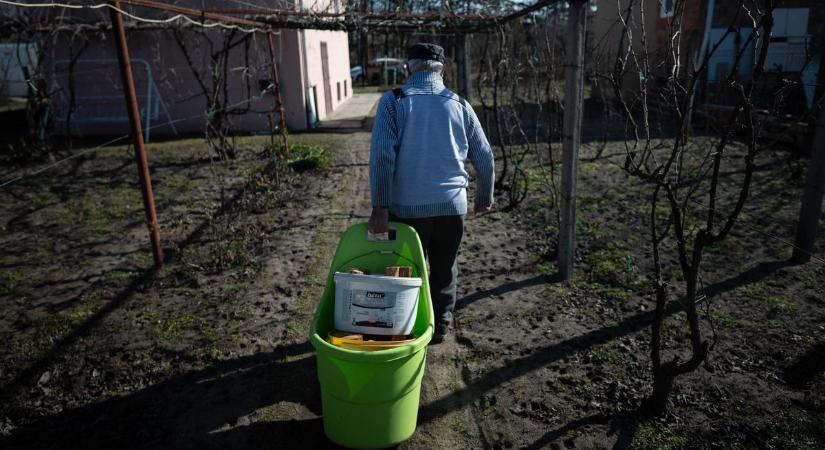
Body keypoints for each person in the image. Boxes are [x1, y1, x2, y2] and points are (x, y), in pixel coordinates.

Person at [367, 43, 495, 344]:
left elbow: (383, 157)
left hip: (406, 209)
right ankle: (440, 325)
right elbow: (485, 155)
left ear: (408, 67)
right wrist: (483, 197)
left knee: (407, 269)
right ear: (442, 69)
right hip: (452, 208)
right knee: (444, 268)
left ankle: (407, 323)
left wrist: (380, 207)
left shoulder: (394, 101)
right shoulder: (459, 103)